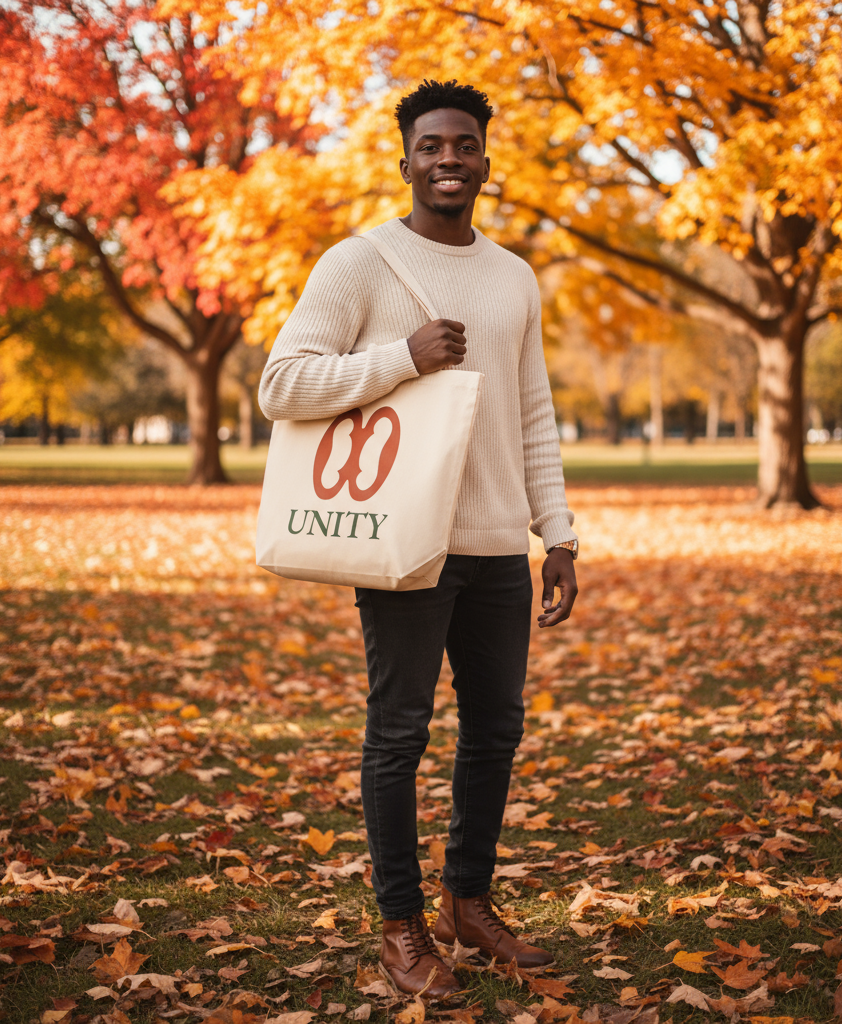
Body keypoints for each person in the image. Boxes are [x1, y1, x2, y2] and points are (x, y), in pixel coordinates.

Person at [258, 79, 579, 998]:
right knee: (398, 735)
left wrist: (556, 532)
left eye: (465, 144)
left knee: (497, 731)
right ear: (405, 159)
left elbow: (533, 413)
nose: (450, 158)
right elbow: (283, 384)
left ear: (486, 159)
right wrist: (403, 358)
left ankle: (465, 904)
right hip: (404, 541)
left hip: (495, 547)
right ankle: (400, 927)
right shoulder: (359, 263)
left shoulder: (515, 275)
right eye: (432, 144)